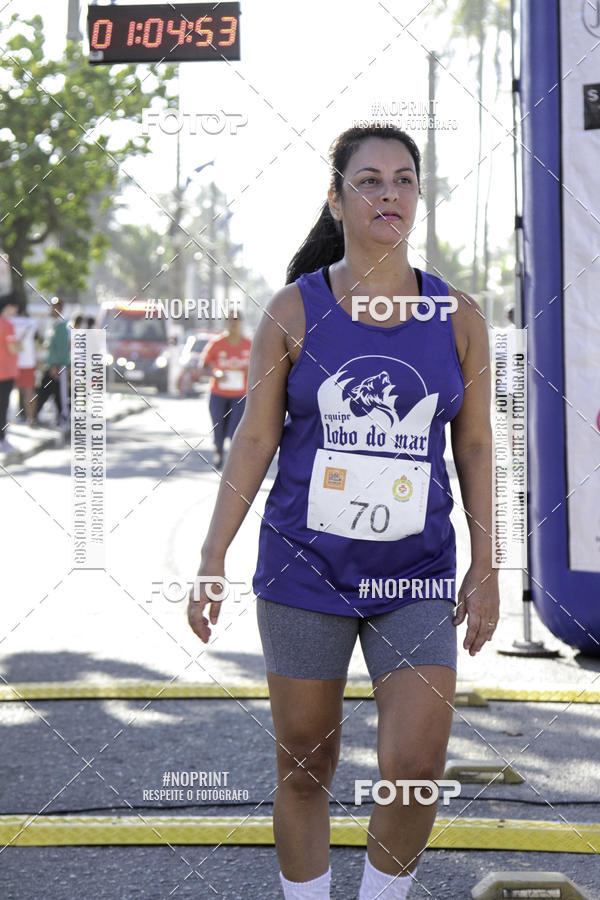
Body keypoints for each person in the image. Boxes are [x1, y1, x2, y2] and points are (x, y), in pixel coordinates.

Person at [187, 125, 499, 899]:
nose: (389, 192)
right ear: (336, 199)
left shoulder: (458, 318)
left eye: (403, 180)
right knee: (304, 764)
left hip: (417, 575)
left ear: (417, 198)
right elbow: (255, 440)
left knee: (418, 767)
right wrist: (211, 555)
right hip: (305, 570)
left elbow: (479, 450)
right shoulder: (294, 311)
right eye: (369, 180)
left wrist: (489, 562)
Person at [199, 312, 251, 469]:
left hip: (240, 395)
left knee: (236, 427)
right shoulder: (217, 343)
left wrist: (250, 369)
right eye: (229, 320)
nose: (232, 323)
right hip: (218, 393)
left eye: (235, 320)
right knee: (218, 425)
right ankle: (219, 452)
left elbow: (261, 365)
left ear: (240, 323)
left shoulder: (249, 344)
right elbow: (203, 366)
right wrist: (216, 373)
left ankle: (233, 458)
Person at [33, 297, 71, 427]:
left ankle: (63, 416)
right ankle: (35, 416)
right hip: (50, 365)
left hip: (57, 366)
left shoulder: (61, 325)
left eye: (54, 307)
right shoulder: (53, 324)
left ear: (59, 308)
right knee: (46, 391)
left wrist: (56, 365)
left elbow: (62, 347)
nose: (51, 309)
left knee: (59, 393)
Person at [11, 304, 38, 426]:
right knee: (29, 392)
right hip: (28, 362)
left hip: (15, 362)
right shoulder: (31, 322)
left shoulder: (11, 321)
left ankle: (20, 417)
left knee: (17, 391)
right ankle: (31, 418)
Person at [0, 296, 19, 452]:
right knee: (3, 406)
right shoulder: (7, 325)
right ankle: (2, 439)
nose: (16, 310)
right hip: (5, 373)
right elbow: (13, 349)